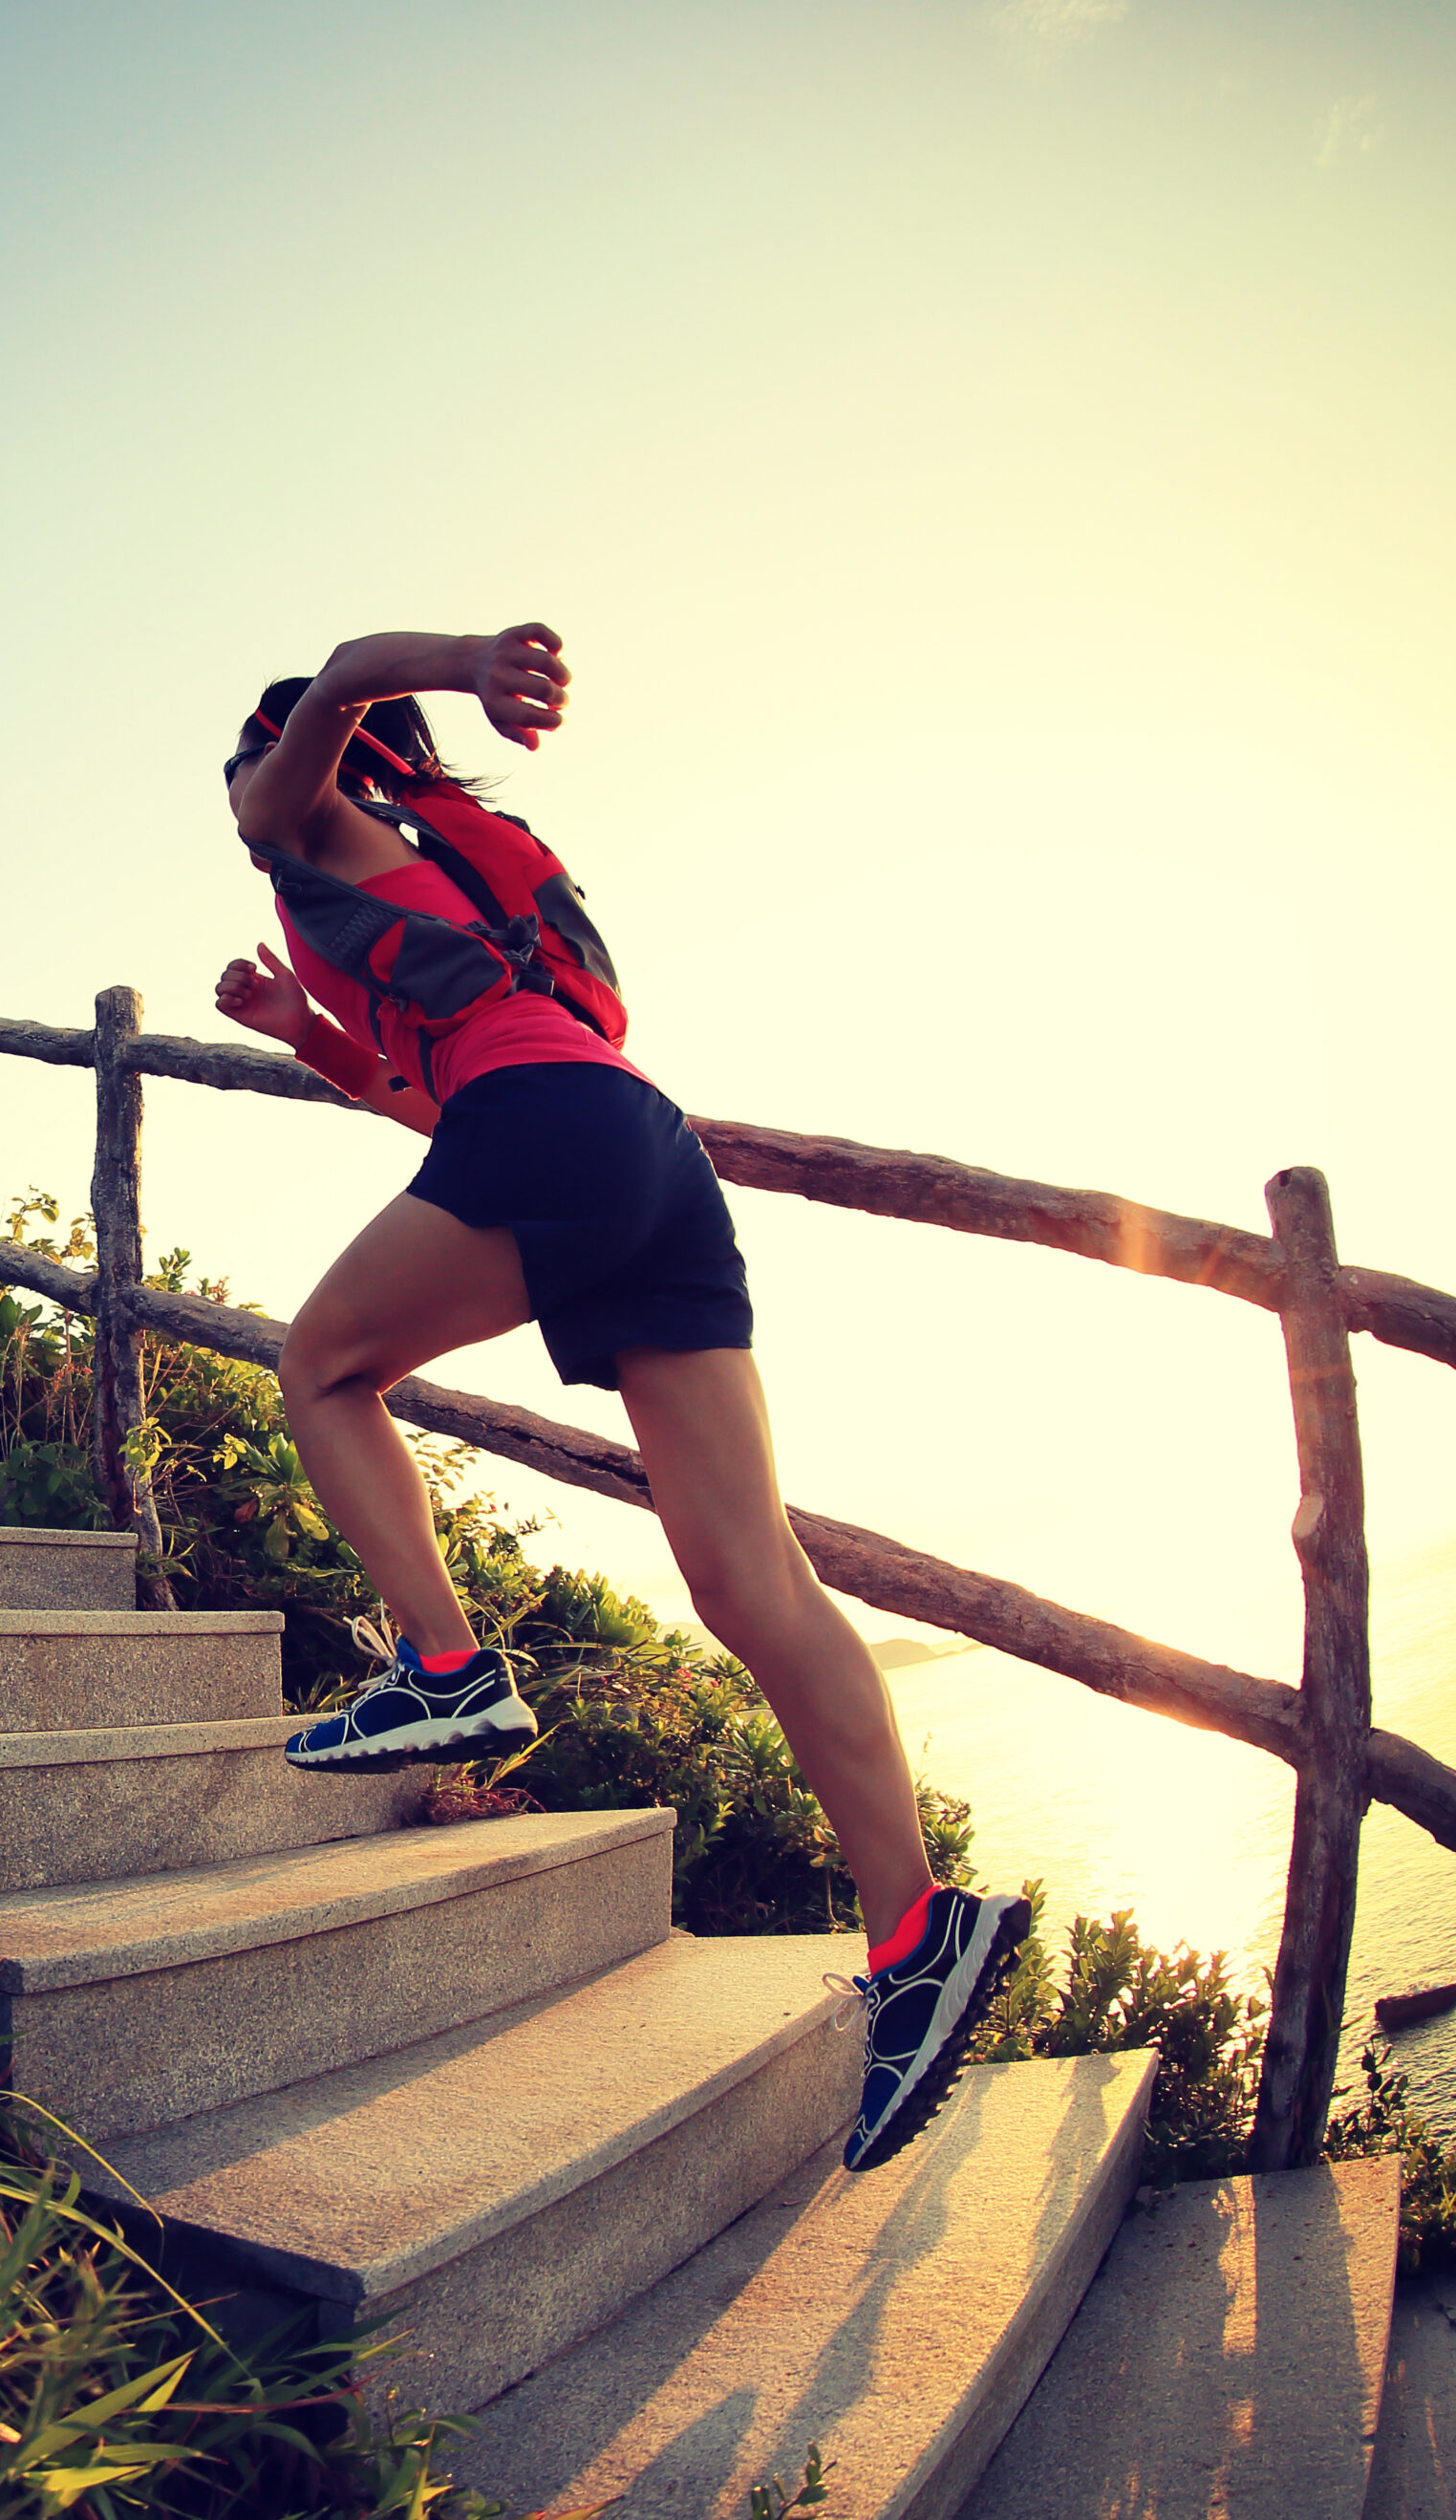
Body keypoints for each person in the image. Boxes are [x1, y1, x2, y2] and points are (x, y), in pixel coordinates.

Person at [210, 623, 1025, 2175]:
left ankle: (443, 1664)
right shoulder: (458, 863)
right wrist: (306, 1033)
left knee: (320, 1366)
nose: (249, 797)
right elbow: (429, 1091)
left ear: (298, 754)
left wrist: (439, 662)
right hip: (647, 1147)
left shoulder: (295, 809)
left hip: (551, 1124)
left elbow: (327, 687)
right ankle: (918, 1922)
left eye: (264, 762)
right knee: (750, 1576)